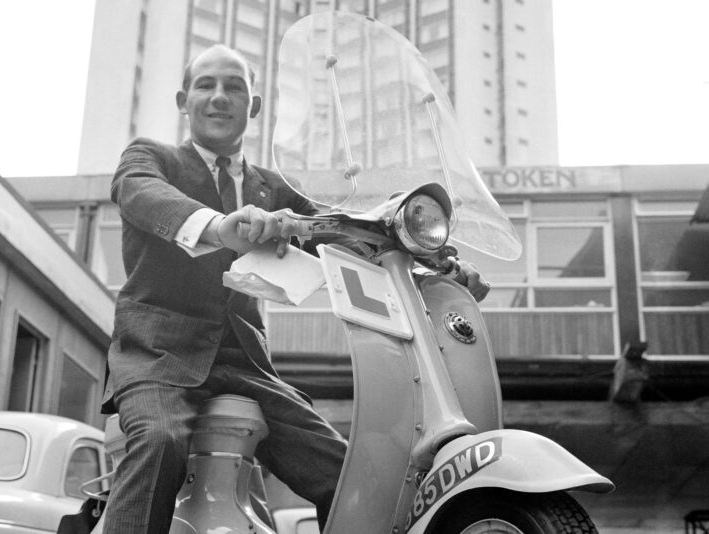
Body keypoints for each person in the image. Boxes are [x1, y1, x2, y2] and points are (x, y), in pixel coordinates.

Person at [100, 44, 490, 534]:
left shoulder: (272, 189)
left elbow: (344, 231)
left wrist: (438, 263)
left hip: (246, 363)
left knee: (349, 473)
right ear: (184, 100)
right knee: (159, 442)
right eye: (206, 85)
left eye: (234, 87)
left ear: (254, 106)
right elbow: (139, 191)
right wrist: (221, 227)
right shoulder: (151, 157)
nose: (219, 97)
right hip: (157, 356)